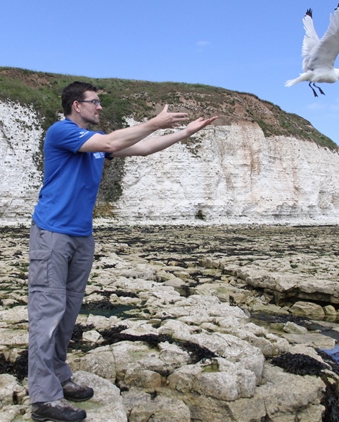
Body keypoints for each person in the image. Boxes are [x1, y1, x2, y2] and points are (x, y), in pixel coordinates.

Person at [28, 81, 217, 422]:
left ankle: (59, 374)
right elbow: (114, 139)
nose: (99, 107)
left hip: (82, 236)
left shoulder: (97, 146)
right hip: (52, 235)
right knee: (47, 314)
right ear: (76, 106)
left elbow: (142, 149)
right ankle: (44, 398)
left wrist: (185, 133)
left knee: (68, 313)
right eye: (94, 102)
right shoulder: (62, 132)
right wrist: (155, 121)